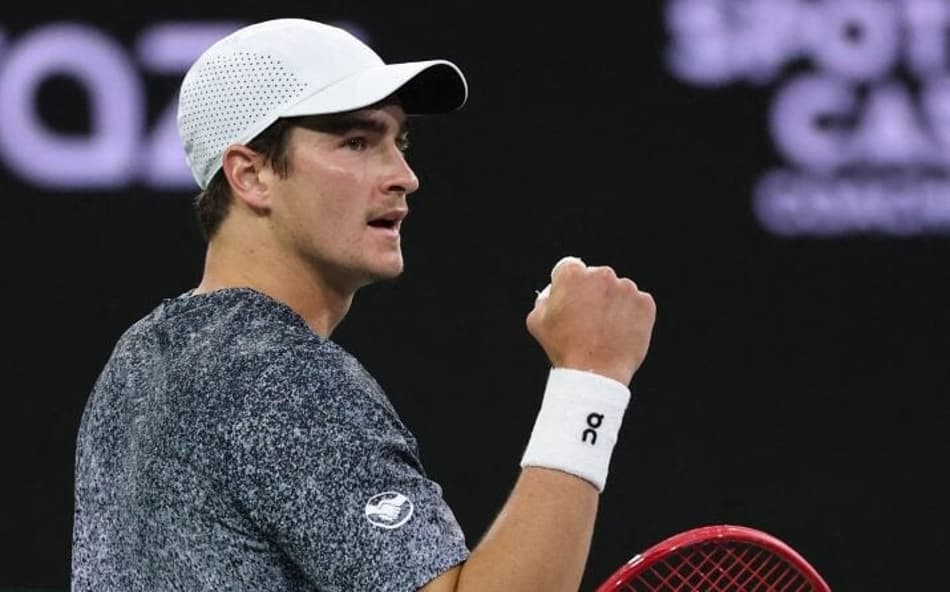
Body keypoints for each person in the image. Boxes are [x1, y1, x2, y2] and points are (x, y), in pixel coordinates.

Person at [70, 17, 656, 592]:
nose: (405, 176)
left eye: (397, 142)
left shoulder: (140, 359)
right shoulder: (277, 375)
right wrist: (590, 377)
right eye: (356, 141)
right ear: (251, 175)